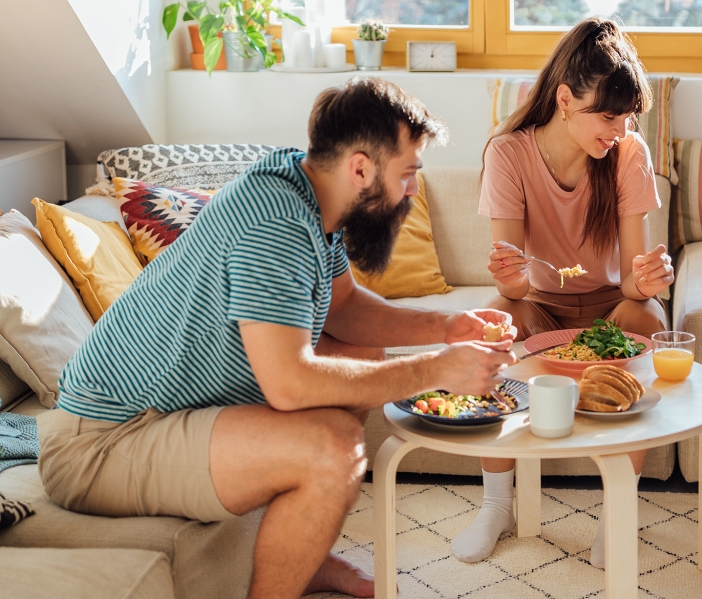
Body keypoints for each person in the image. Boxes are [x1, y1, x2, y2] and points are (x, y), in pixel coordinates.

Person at [36, 78, 517, 599]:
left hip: (158, 416)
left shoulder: (308, 190)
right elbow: (289, 384)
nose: (414, 191)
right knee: (333, 449)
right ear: (360, 168)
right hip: (103, 443)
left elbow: (346, 310)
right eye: (408, 173)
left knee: (358, 354)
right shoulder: (275, 222)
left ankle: (304, 560)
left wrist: (446, 326)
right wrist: (435, 368)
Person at [450, 18, 675, 567]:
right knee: (494, 318)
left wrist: (647, 279)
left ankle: (617, 508)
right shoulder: (508, 153)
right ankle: (496, 504)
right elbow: (517, 282)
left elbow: (629, 283)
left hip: (608, 304)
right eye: (607, 114)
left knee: (648, 319)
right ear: (566, 99)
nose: (619, 128)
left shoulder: (628, 154)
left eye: (627, 116)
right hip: (541, 303)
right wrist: (509, 280)